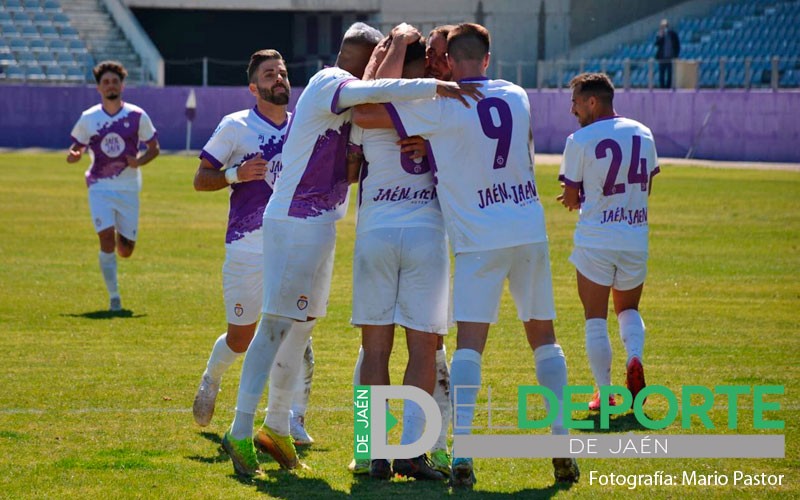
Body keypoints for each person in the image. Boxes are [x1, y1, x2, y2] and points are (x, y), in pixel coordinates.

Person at [221, 22, 482, 478]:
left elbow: (357, 153)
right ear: (365, 55)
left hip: (328, 224)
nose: (381, 67)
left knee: (303, 328)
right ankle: (241, 430)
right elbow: (373, 103)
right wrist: (433, 82)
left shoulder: (371, 99)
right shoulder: (331, 83)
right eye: (377, 56)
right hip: (296, 220)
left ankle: (279, 425)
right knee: (278, 325)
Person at [353, 22, 579, 488]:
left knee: (428, 348)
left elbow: (365, 113)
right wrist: (433, 151)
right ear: (489, 59)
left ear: (451, 64)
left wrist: (396, 47)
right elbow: (485, 147)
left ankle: (408, 451)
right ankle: (560, 445)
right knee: (545, 340)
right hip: (526, 229)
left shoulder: (438, 105)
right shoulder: (517, 94)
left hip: (461, 238)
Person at [347, 23, 456, 480]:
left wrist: (395, 40)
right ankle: (413, 451)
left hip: (376, 232)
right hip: (427, 234)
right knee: (423, 348)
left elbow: (352, 167)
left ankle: (373, 450)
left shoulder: (368, 108)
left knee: (374, 349)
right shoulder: (440, 107)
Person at [190, 49, 315, 446]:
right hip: (246, 246)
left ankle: (291, 420)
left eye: (282, 72)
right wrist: (235, 174)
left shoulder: (306, 127)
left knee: (299, 333)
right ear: (253, 87)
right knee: (241, 339)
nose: (278, 78)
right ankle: (212, 377)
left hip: (293, 245)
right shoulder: (236, 126)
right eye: (269, 74)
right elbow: (200, 178)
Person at [557, 72, 659, 412]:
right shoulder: (643, 133)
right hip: (635, 236)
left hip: (596, 239)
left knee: (595, 318)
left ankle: (605, 392)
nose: (573, 110)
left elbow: (572, 196)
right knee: (628, 309)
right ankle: (634, 358)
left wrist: (574, 199)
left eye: (575, 102)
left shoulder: (579, 139)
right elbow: (647, 189)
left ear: (592, 101)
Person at [67, 60, 160, 312]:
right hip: (99, 186)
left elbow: (154, 148)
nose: (111, 85)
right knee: (106, 239)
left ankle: (124, 236)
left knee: (126, 250)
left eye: (115, 81)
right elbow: (77, 145)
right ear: (98, 88)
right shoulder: (89, 118)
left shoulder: (137, 115)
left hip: (128, 188)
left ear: (122, 85)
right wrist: (74, 154)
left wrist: (139, 161)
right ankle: (114, 297)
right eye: (106, 82)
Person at [654, 19, 680, 89]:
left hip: (670, 57)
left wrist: (676, 55)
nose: (663, 28)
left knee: (670, 73)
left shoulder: (673, 34)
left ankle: (668, 86)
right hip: (662, 57)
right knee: (662, 73)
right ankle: (662, 87)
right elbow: (656, 44)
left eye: (665, 26)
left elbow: (677, 45)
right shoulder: (659, 34)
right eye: (662, 26)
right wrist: (661, 36)